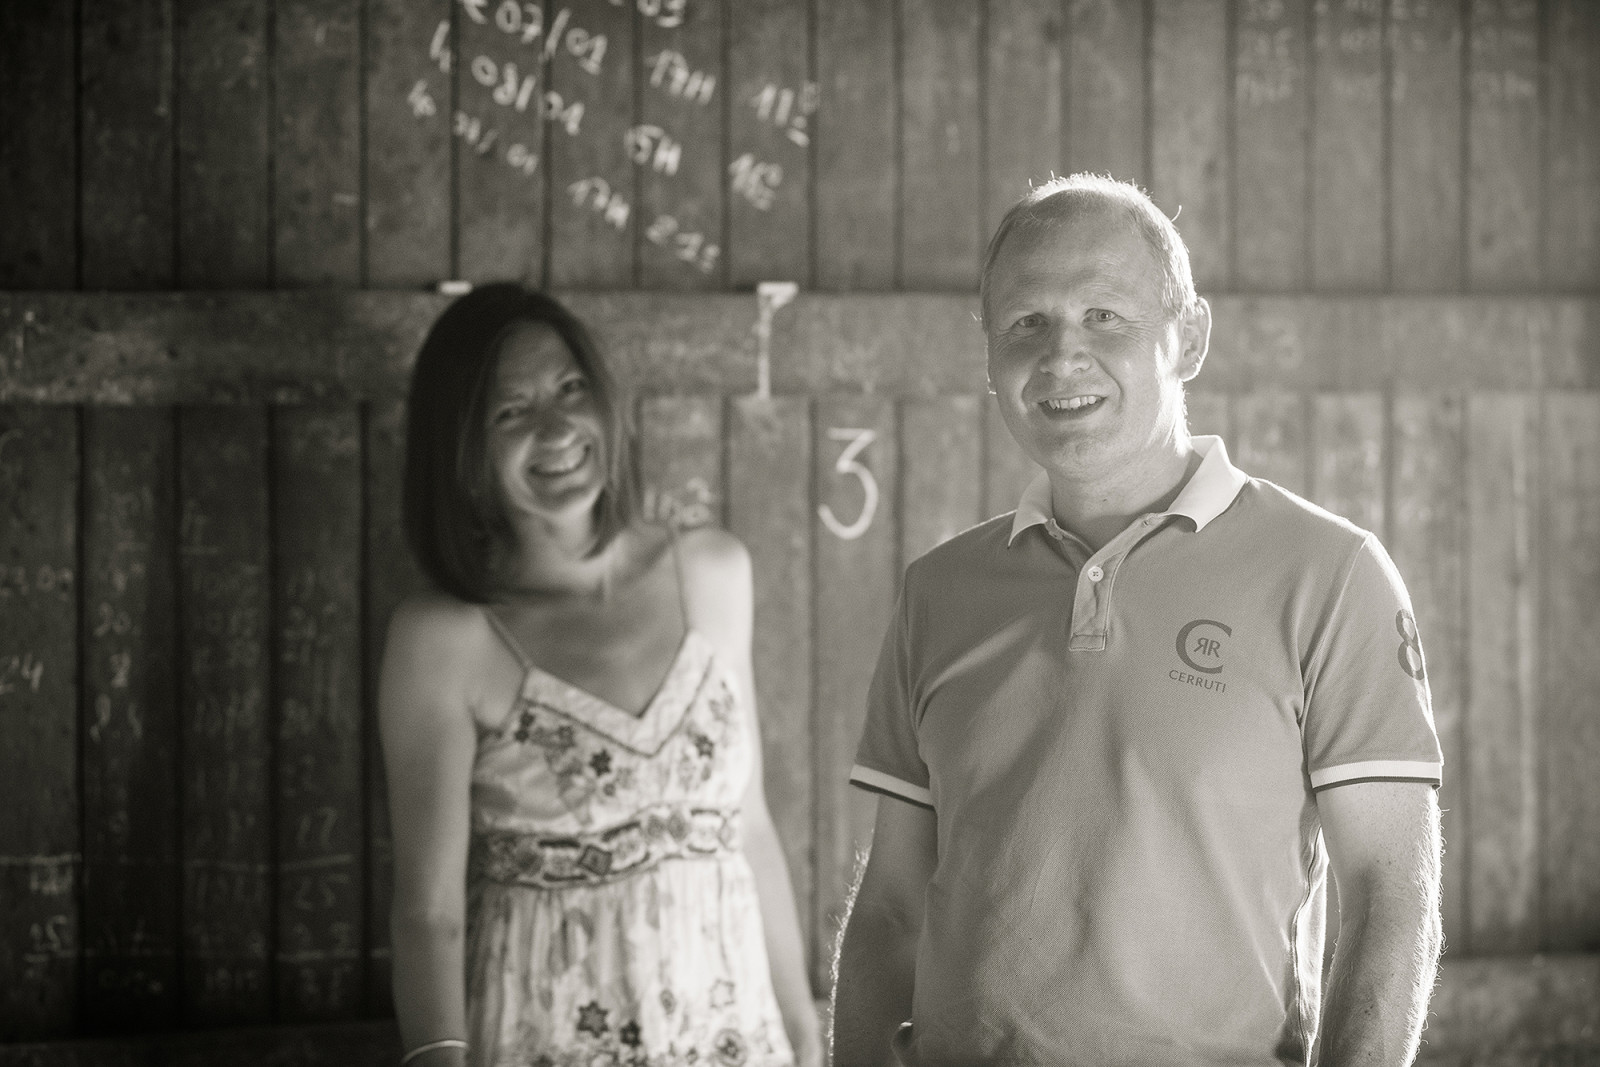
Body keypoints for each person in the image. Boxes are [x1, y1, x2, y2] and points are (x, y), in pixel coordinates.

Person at [830, 174, 1443, 1065]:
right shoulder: (939, 590)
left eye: (1105, 316)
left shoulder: (1332, 572)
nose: (1062, 356)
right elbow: (889, 907)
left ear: (1189, 336)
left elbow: (1392, 894)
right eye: (1026, 324)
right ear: (990, 352)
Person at [380, 283, 822, 1067]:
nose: (555, 429)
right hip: (538, 1037)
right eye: (510, 411)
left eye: (569, 389)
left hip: (729, 1034)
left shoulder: (711, 571)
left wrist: (802, 1027)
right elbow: (428, 910)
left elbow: (747, 825)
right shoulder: (445, 638)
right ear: (463, 448)